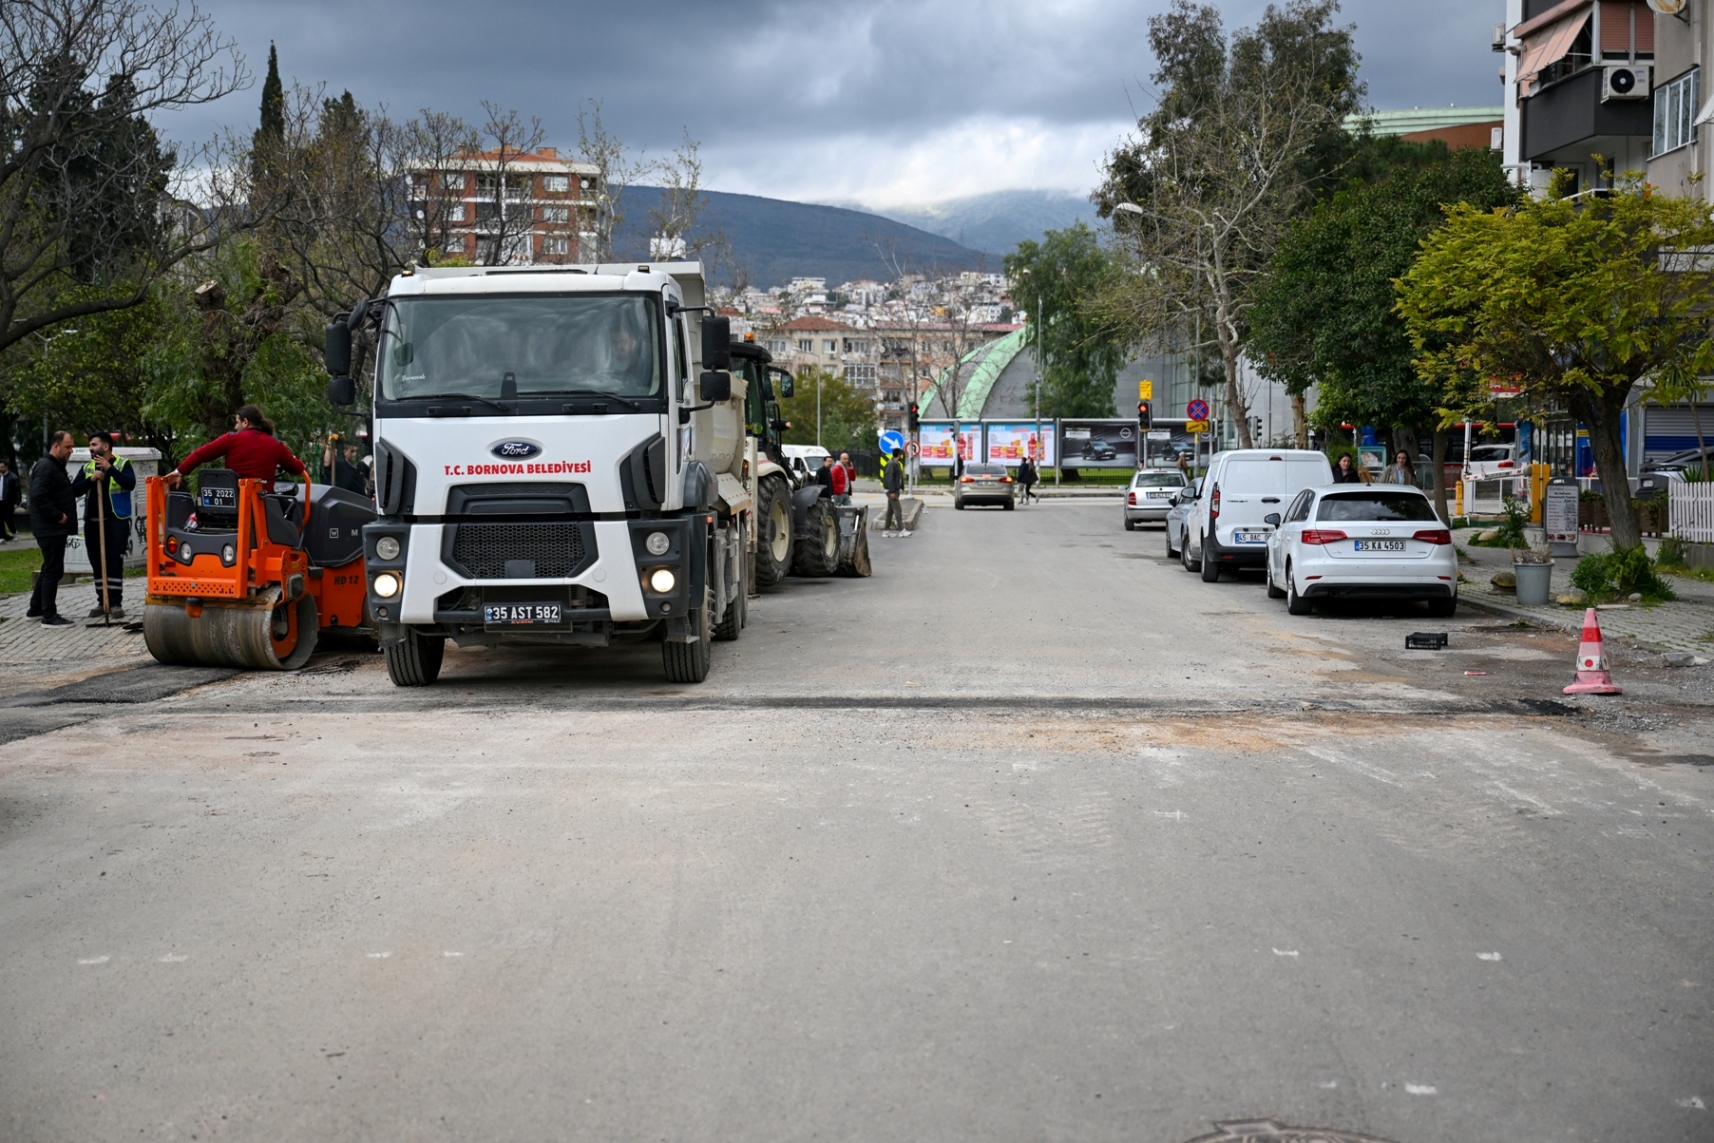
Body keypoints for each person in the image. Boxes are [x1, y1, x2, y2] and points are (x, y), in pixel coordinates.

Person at [27, 431, 87, 626]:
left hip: (52, 528)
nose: (71, 451)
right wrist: (58, 516)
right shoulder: (47, 467)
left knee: (49, 568)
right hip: (50, 528)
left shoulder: (55, 466)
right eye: (67, 447)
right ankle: (49, 616)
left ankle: (35, 609)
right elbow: (38, 496)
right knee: (54, 570)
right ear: (55, 446)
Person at [165, 405, 308, 488]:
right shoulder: (275, 444)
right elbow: (297, 468)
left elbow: (200, 454)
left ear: (245, 422)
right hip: (263, 505)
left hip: (233, 504)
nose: (235, 426)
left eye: (236, 422)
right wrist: (297, 460)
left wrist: (180, 471)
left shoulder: (231, 439)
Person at [80, 432, 136, 618]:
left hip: (115, 521)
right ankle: (101, 601)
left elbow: (130, 483)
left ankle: (115, 603)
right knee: (97, 563)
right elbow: (73, 489)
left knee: (114, 561)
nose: (90, 448)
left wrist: (109, 469)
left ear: (105, 446)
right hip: (93, 523)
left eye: (94, 444)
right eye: (90, 444)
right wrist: (91, 479)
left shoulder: (122, 463)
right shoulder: (88, 467)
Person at [883, 446, 907, 535]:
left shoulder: (895, 463)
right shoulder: (891, 464)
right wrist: (892, 491)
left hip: (894, 490)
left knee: (890, 511)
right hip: (891, 491)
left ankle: (886, 531)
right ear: (899, 455)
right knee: (898, 509)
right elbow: (889, 478)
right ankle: (901, 530)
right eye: (901, 454)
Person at [0, 460, 18, 540]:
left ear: (6, 467)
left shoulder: (13, 477)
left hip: (8, 501)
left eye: (2, 467)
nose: (0, 469)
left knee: (8, 518)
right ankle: (2, 536)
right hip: (0, 500)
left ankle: (14, 532)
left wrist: (16, 502)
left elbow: (17, 491)